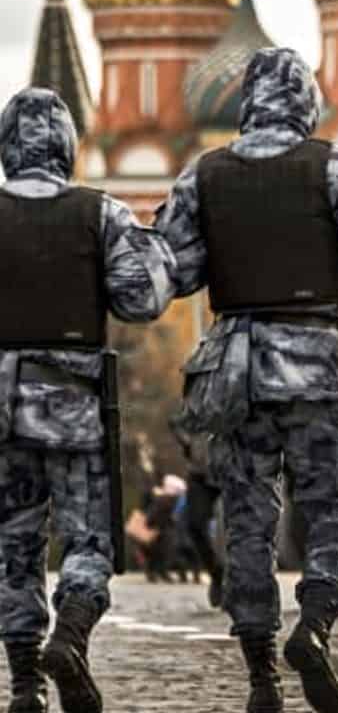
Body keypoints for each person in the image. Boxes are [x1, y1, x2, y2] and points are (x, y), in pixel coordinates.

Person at [155, 47, 338, 713]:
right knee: (335, 504)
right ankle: (316, 623)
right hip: (316, 362)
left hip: (236, 369)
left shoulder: (203, 174)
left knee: (246, 520)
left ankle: (261, 674)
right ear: (307, 102)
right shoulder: (336, 167)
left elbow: (171, 274)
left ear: (248, 101)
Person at [0, 87, 175, 713]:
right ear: (66, 147)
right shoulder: (100, 213)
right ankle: (70, 635)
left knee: (12, 548)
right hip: (71, 403)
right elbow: (144, 298)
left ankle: (25, 683)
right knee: (89, 540)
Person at [172, 414, 224, 606]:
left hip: (233, 469)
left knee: (241, 527)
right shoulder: (197, 397)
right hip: (200, 473)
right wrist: (188, 444)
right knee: (194, 525)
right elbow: (177, 420)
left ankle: (242, 582)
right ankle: (216, 573)